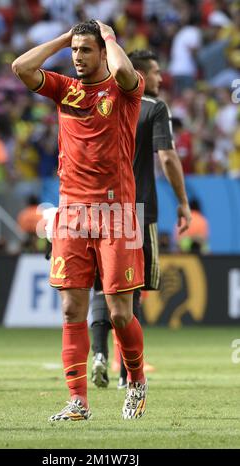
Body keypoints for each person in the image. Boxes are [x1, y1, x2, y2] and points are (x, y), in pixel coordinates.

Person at [12, 19, 147, 421]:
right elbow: (21, 67)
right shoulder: (64, 89)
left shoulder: (124, 91)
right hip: (71, 212)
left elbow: (124, 70)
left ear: (102, 52)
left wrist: (107, 36)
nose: (77, 57)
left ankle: (137, 381)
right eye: (74, 51)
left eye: (85, 50)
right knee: (72, 310)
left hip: (116, 212)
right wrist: (62, 38)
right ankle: (78, 401)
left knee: (120, 313)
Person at [91, 50, 191, 389]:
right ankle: (127, 374)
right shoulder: (153, 108)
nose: (163, 79)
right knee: (130, 290)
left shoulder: (102, 102)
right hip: (137, 208)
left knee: (101, 286)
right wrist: (183, 201)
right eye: (157, 72)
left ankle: (99, 354)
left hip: (99, 208)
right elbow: (167, 156)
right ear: (142, 75)